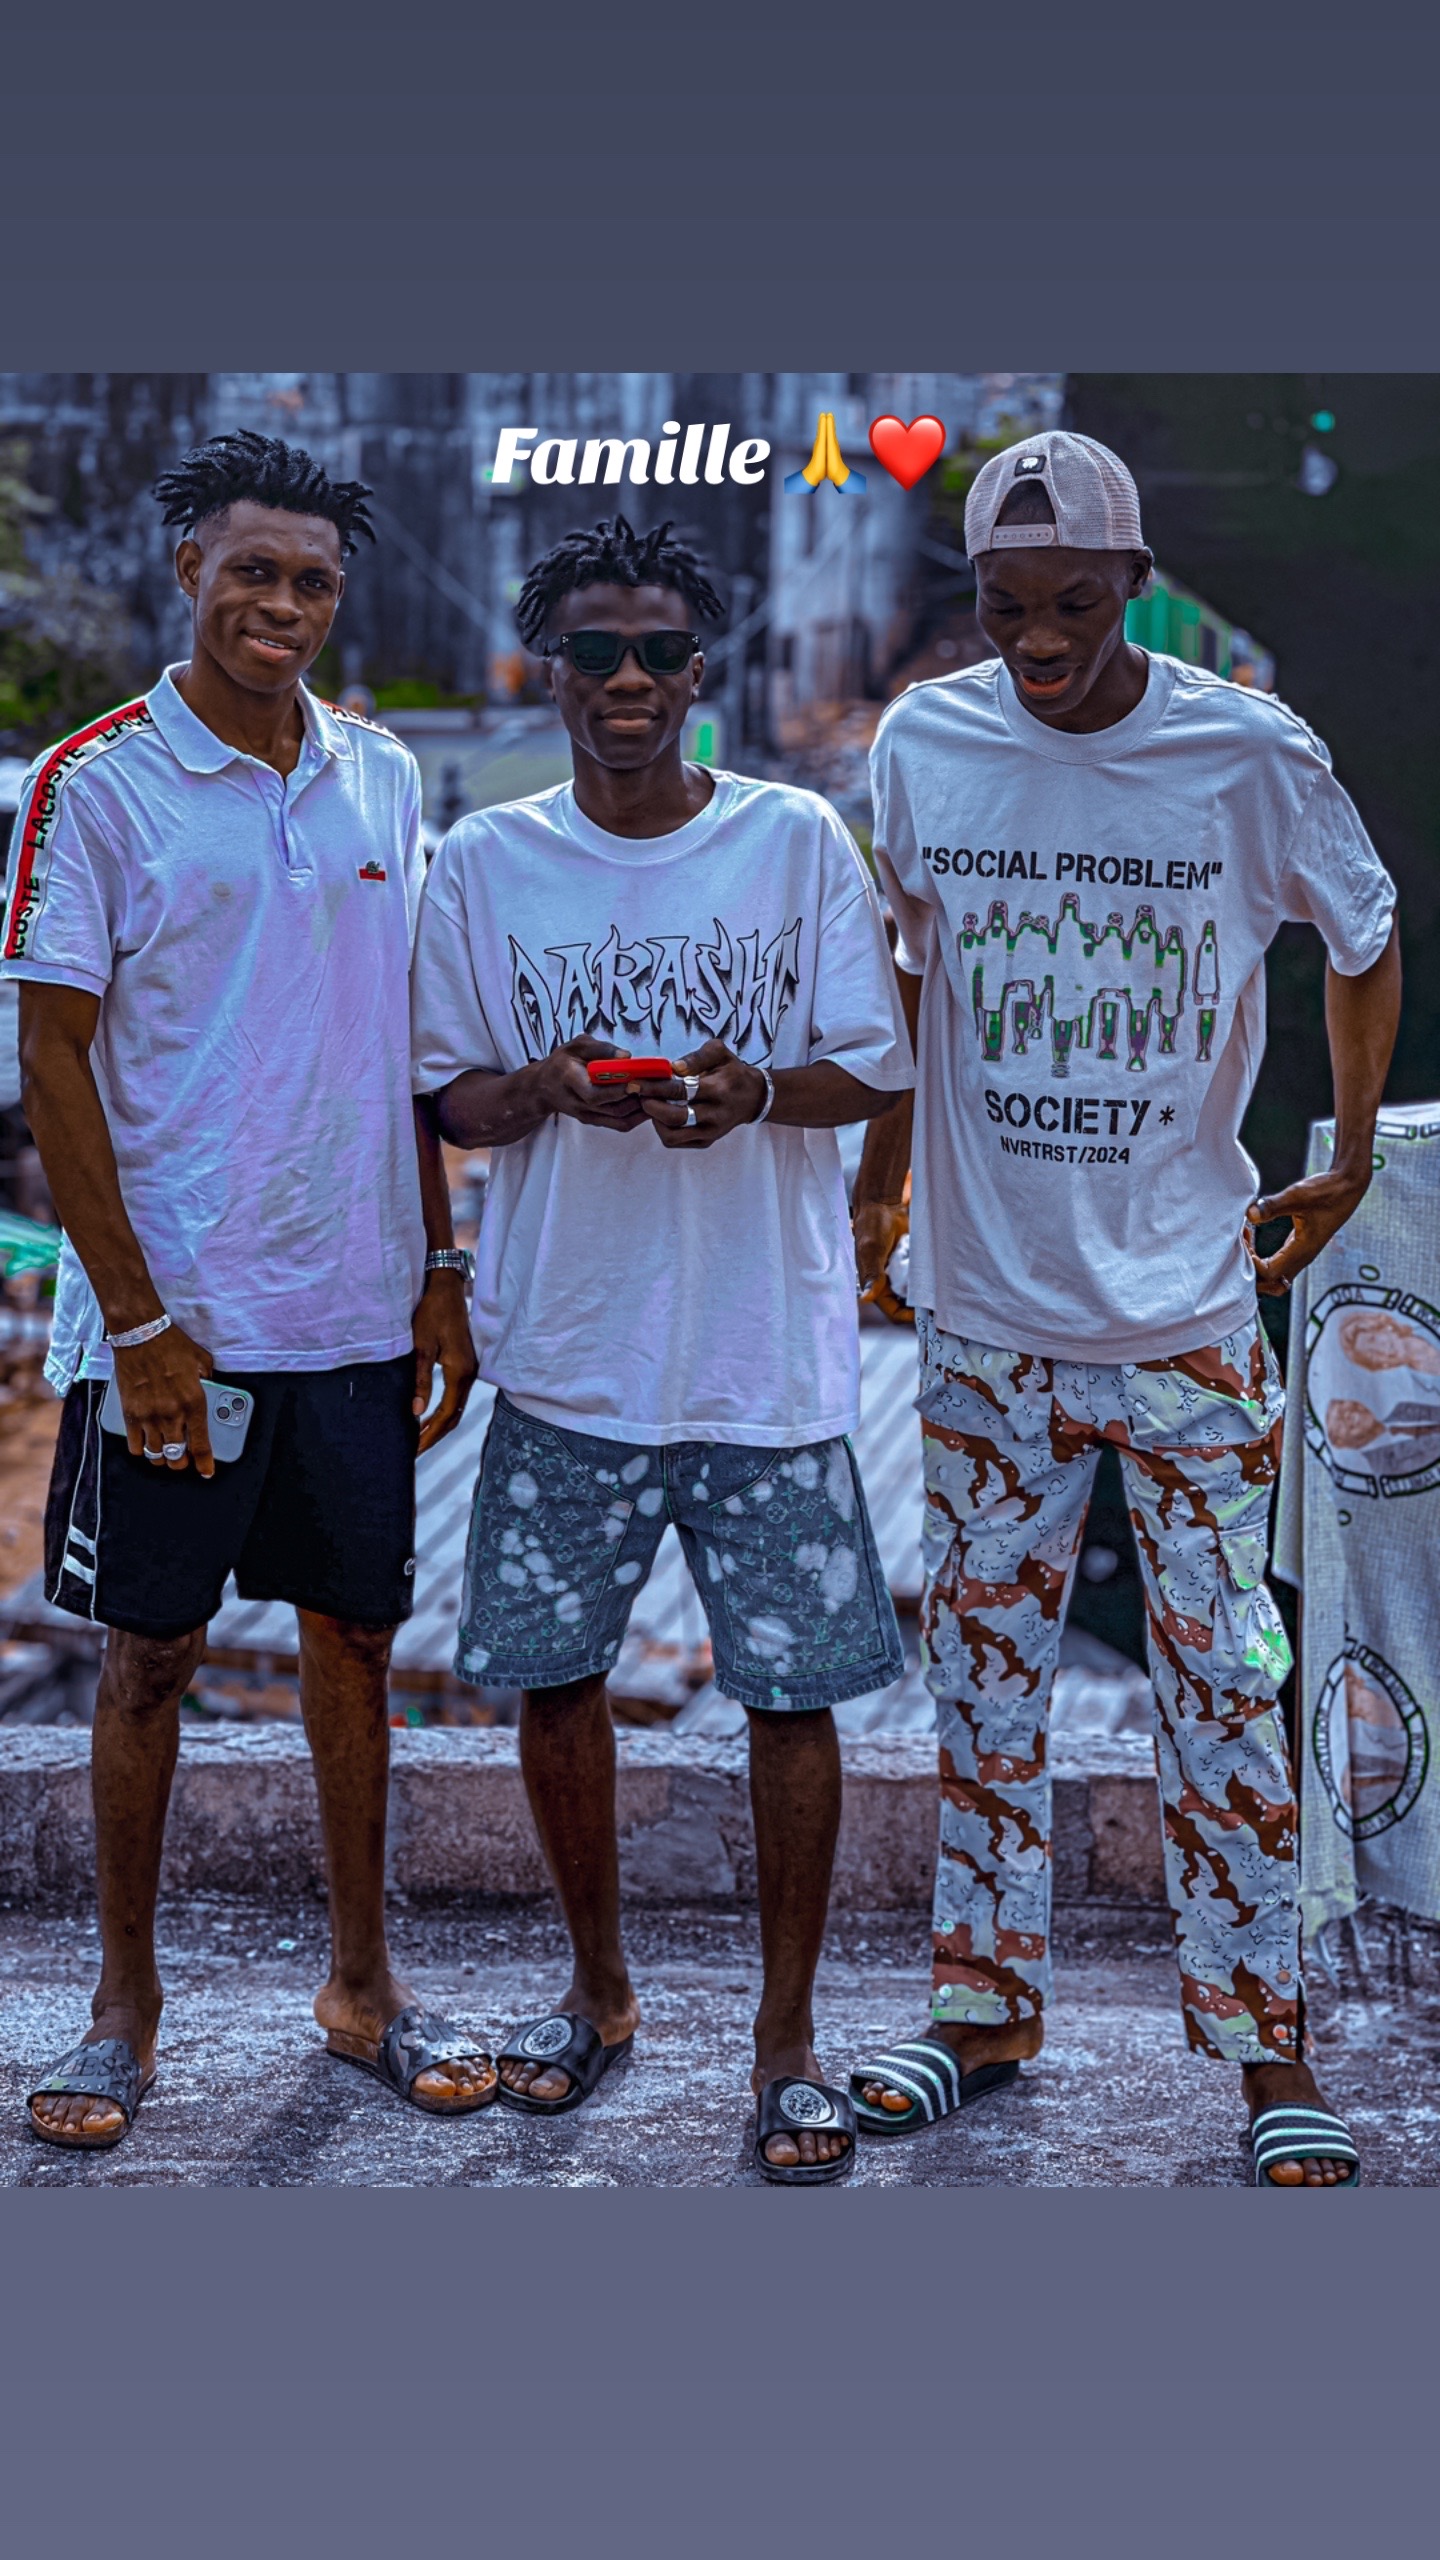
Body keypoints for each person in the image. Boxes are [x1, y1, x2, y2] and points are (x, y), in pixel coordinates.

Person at [849, 429, 1401, 2187]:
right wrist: (880, 1191)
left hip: (1187, 1316)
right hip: (986, 1311)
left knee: (1227, 1683)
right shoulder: (923, 746)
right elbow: (910, 978)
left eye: (1074, 604)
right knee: (981, 1678)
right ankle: (980, 2016)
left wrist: (1350, 1155)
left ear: (1136, 583)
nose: (1038, 639)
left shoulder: (1247, 754)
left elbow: (1364, 934)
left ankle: (1267, 2051)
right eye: (1005, 606)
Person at [5, 431, 495, 2148]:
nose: (280, 604)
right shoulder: (97, 785)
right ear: (189, 575)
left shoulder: (382, 777)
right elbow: (51, 1065)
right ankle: (120, 2010)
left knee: (353, 1640)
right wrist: (139, 1325)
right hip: (178, 1327)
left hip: (354, 1308)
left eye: (311, 582)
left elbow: (398, 1047)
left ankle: (363, 1989)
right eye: (252, 573)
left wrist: (439, 1267)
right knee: (150, 1657)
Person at [410, 515, 914, 2182]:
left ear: (702, 673)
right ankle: (597, 1993)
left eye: (657, 652)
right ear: (546, 671)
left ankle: (787, 2043)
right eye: (593, 650)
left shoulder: (797, 841)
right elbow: (446, 1099)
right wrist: (541, 1090)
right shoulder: (484, 860)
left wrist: (755, 1092)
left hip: (767, 1365)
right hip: (567, 1354)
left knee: (793, 1701)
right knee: (555, 1686)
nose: (625, 679)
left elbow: (876, 1065)